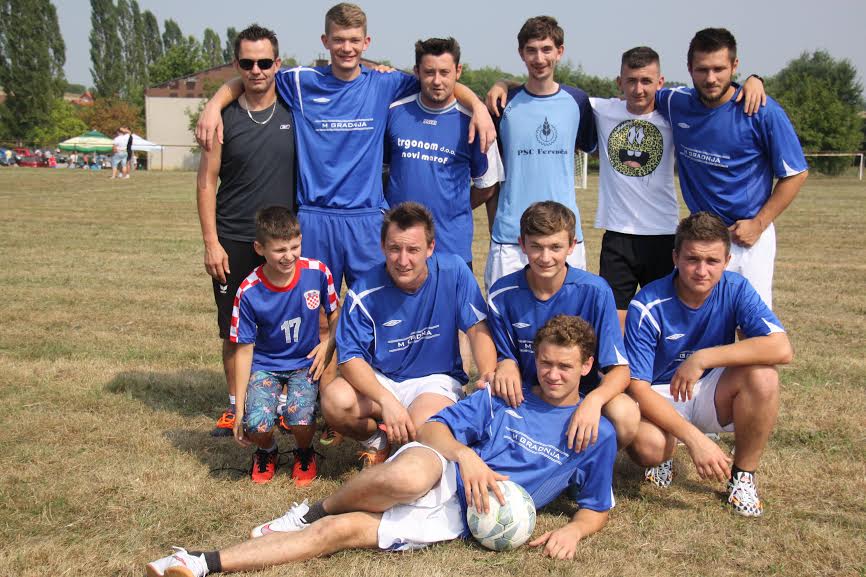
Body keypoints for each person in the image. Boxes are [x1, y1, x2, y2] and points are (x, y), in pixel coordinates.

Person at [145, 315, 617, 576]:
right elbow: (433, 430)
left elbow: (596, 506)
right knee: (410, 475)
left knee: (339, 534)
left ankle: (199, 562)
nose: (553, 374)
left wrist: (574, 532)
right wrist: (467, 456)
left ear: (586, 366)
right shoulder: (506, 396)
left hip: (462, 516)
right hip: (443, 468)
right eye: (547, 363)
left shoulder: (596, 434)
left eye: (565, 367)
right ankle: (313, 509)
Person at [196, 3, 495, 300]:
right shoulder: (302, 82)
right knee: (314, 311)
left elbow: (437, 82)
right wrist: (214, 105)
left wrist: (478, 107)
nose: (347, 48)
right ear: (325, 41)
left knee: (373, 307)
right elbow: (256, 75)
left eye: (354, 40)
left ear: (367, 42)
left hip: (366, 219)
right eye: (338, 40)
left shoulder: (385, 83)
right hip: (316, 217)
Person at [624, 212, 793, 517]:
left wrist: (703, 358)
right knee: (649, 447)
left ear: (727, 261)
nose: (702, 271)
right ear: (675, 258)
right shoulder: (648, 303)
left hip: (709, 388)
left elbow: (781, 348)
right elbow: (637, 387)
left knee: (764, 376)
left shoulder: (736, 288)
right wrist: (694, 439)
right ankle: (666, 451)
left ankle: (742, 476)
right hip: (659, 394)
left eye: (712, 261)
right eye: (692, 259)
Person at [320, 202, 497, 467]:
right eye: (395, 249)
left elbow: (477, 327)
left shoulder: (454, 271)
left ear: (430, 247)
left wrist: (487, 374)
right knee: (335, 401)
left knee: (422, 430)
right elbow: (350, 359)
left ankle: (416, 437)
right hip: (384, 379)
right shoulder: (364, 291)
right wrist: (386, 401)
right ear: (383, 247)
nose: (403, 261)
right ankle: (376, 441)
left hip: (434, 380)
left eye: (413, 250)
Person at [655, 28, 808, 308]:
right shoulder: (675, 102)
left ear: (734, 66)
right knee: (699, 318)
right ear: (689, 68)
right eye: (702, 69)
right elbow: (639, 94)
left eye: (719, 69)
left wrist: (758, 224)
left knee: (751, 323)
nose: (710, 78)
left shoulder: (762, 110)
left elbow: (796, 174)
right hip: (702, 237)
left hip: (748, 237)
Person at [196, 24, 297, 438]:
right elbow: (206, 182)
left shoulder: (294, 109)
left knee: (287, 325)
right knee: (234, 329)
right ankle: (235, 405)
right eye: (247, 63)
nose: (257, 70)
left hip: (282, 242)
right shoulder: (223, 119)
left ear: (278, 63)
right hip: (234, 237)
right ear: (237, 65)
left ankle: (287, 404)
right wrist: (211, 243)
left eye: (265, 62)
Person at [486, 201, 638, 450]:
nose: (545, 257)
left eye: (555, 247)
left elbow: (619, 370)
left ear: (571, 245)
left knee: (624, 413)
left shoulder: (595, 291)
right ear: (522, 244)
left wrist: (593, 401)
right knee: (486, 402)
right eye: (536, 246)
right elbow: (500, 358)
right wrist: (506, 363)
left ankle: (589, 458)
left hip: (579, 396)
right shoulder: (502, 294)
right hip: (525, 395)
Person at [482, 16, 596, 292]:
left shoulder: (578, 102)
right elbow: (493, 174)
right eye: (531, 50)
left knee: (568, 316)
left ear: (560, 51)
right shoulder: (502, 103)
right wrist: (502, 83)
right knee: (504, 314)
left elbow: (585, 146)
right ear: (521, 53)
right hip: (512, 239)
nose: (539, 58)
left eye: (546, 49)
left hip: (564, 237)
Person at [230, 207, 339, 485]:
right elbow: (243, 349)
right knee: (255, 423)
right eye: (280, 250)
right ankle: (267, 451)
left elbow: (336, 314)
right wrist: (238, 408)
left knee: (299, 415)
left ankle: (305, 451)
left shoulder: (318, 272)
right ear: (260, 248)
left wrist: (328, 342)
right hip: (265, 365)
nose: (289, 256)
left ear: (301, 240)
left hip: (304, 363)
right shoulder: (248, 290)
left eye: (294, 247)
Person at [385, 36, 502, 268]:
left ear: (458, 71)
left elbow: (487, 186)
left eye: (444, 72)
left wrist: (453, 208)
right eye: (429, 72)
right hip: (401, 249)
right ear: (417, 72)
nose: (437, 81)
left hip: (451, 247)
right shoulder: (394, 112)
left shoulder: (476, 122)